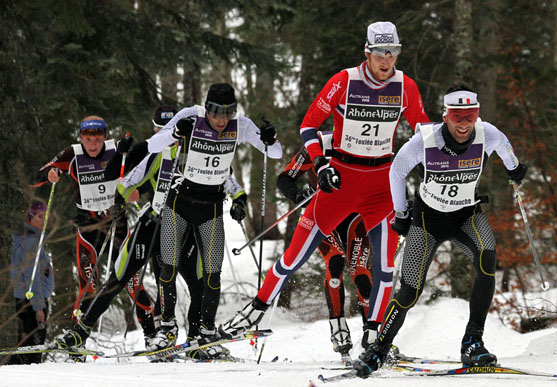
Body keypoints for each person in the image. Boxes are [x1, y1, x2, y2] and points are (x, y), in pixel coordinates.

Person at [218, 21, 429, 344]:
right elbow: (309, 125)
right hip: (341, 181)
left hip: (381, 186)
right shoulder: (344, 81)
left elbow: (422, 131)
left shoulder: (406, 86)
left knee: (384, 268)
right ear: (367, 52)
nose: (387, 60)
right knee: (293, 257)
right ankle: (256, 309)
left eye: (394, 52)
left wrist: (429, 168)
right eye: (380, 53)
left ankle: (374, 336)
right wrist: (319, 161)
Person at [353, 85, 528, 376]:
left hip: (466, 216)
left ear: (477, 115)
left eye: (470, 116)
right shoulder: (425, 141)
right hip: (427, 221)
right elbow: (396, 170)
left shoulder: (488, 133)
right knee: (410, 290)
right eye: (457, 116)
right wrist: (401, 212)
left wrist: (514, 167)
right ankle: (379, 349)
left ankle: (473, 342)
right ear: (445, 116)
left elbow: (504, 144)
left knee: (487, 258)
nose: (463, 123)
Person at [145, 83, 282, 351]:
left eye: (227, 113)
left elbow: (274, 153)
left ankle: (205, 332)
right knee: (168, 266)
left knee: (213, 274)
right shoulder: (189, 116)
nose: (221, 120)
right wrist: (174, 132)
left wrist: (269, 138)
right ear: (206, 108)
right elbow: (152, 145)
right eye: (216, 113)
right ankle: (167, 328)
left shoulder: (240, 125)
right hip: (179, 201)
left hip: (211, 205)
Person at [35, 115, 154, 361]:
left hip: (116, 223)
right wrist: (51, 175)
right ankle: (77, 341)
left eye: (97, 137)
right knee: (87, 284)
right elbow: (39, 174)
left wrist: (137, 185)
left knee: (130, 279)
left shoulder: (115, 150)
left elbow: (150, 161)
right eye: (88, 137)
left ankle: (153, 334)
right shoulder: (73, 153)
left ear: (104, 137)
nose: (92, 143)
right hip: (88, 228)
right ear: (81, 138)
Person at [276, 131, 375, 360]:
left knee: (360, 273)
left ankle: (372, 332)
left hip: (356, 217)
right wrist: (300, 195)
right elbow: (284, 178)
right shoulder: (319, 144)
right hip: (323, 215)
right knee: (336, 262)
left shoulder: (368, 140)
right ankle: (338, 328)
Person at [9, 201, 54, 364]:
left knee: (25, 344)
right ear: (30, 217)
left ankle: (14, 372)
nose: (43, 220)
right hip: (32, 301)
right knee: (33, 349)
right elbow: (32, 277)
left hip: (26, 300)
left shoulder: (29, 239)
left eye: (45, 216)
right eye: (39, 216)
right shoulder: (30, 242)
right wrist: (39, 307)